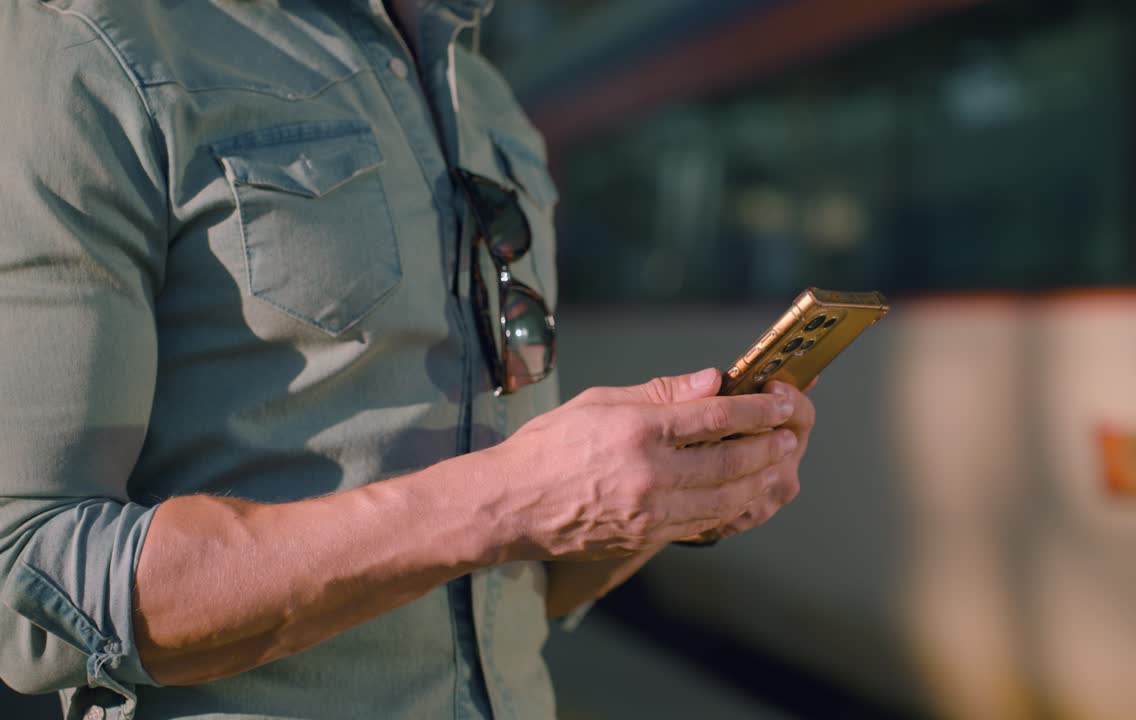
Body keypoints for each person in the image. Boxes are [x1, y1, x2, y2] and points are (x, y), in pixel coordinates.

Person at [0, 1, 815, 718]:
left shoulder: (486, 99)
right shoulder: (93, 47)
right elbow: (30, 579)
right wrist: (512, 498)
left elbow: (524, 579)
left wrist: (670, 489)